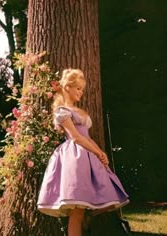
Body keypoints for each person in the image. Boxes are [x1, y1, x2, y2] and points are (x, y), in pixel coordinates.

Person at [37, 69, 129, 236]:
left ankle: (87, 218)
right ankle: (79, 222)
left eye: (82, 89)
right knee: (77, 209)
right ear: (67, 87)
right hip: (75, 157)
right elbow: (76, 137)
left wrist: (101, 153)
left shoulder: (80, 112)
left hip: (89, 156)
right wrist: (97, 152)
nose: (81, 92)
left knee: (103, 197)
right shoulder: (62, 111)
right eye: (77, 88)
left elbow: (87, 136)